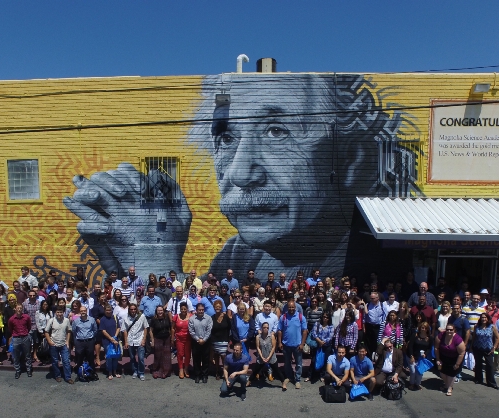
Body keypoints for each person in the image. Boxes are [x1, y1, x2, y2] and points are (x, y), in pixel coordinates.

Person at [64, 74, 414, 280]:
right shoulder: (243, 253)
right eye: (227, 139)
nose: (239, 173)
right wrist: (134, 264)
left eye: (277, 132)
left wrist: (158, 262)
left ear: (349, 160)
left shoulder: (366, 258)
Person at [277, 300, 308, 390]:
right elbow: (279, 330)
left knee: (298, 364)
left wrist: (302, 344)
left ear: (295, 307)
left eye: (292, 307)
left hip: (297, 345)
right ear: (287, 307)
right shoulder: (283, 317)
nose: (291, 308)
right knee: (287, 363)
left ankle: (297, 380)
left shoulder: (301, 317)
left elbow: (304, 331)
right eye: (289, 307)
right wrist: (279, 342)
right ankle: (289, 377)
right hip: (286, 344)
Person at [434, 323, 466, 396]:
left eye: (451, 330)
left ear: (454, 330)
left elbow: (462, 353)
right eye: (447, 329)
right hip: (443, 356)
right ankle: (446, 385)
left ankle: (449, 388)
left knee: (451, 374)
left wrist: (457, 364)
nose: (449, 331)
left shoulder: (458, 339)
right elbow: (436, 348)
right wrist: (438, 359)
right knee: (442, 372)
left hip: (454, 358)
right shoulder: (441, 336)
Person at [472, 313, 499, 390]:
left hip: (488, 349)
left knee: (490, 366)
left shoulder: (492, 327)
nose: (483, 319)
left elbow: (498, 338)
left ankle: (491, 382)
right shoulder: (476, 326)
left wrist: (494, 347)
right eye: (482, 318)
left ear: (488, 319)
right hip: (477, 348)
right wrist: (471, 347)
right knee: (478, 365)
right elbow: (474, 336)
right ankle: (478, 379)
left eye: (485, 318)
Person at [45, 307, 73, 384]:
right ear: (55, 313)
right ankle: (57, 375)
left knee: (66, 361)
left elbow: (69, 331)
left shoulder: (66, 320)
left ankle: (68, 377)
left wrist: (67, 341)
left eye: (61, 312)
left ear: (63, 312)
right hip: (54, 344)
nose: (59, 314)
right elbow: (46, 331)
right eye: (58, 312)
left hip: (63, 344)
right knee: (54, 361)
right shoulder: (51, 320)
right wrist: (49, 341)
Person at [72, 305, 99, 381]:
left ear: (86, 311)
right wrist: (76, 341)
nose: (83, 312)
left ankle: (92, 373)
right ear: (80, 312)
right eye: (81, 311)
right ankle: (79, 374)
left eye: (84, 311)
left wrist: (91, 338)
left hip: (89, 341)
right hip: (79, 342)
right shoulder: (76, 321)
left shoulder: (92, 320)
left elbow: (95, 330)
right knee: (79, 358)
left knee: (90, 358)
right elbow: (74, 331)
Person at [188, 302, 213, 383]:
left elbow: (209, 330)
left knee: (205, 359)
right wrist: (198, 339)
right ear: (196, 310)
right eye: (199, 310)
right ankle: (197, 375)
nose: (201, 311)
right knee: (196, 359)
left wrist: (204, 339)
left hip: (206, 341)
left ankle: (205, 375)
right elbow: (191, 331)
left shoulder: (208, 318)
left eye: (202, 310)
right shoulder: (192, 319)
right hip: (196, 341)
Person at [7, 303, 33, 379]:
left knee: (27, 354)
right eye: (17, 308)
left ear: (22, 309)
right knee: (16, 355)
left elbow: (29, 326)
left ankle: (29, 369)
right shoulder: (11, 319)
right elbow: (10, 328)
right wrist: (15, 334)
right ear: (15, 309)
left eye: (20, 308)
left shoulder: (26, 317)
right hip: (16, 338)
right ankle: (18, 370)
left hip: (25, 337)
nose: (19, 309)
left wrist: (25, 333)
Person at [407, 322, 432, 391]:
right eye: (422, 327)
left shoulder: (429, 338)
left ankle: (417, 384)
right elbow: (410, 346)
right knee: (413, 371)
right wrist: (411, 356)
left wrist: (426, 354)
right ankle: (411, 383)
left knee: (419, 372)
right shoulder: (415, 335)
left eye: (425, 328)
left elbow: (430, 348)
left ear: (427, 329)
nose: (423, 329)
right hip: (413, 356)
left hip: (421, 358)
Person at [149, 306, 172, 379]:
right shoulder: (154, 319)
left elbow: (171, 327)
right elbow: (150, 330)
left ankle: (165, 372)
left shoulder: (167, 317)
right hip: (157, 338)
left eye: (161, 310)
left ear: (163, 311)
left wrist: (171, 337)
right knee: (158, 355)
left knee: (166, 355)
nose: (160, 312)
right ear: (156, 311)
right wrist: (152, 340)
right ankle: (156, 371)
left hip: (167, 338)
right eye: (158, 311)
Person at [172, 301, 192, 379]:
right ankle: (180, 369)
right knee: (180, 354)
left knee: (187, 354)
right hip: (179, 339)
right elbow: (173, 328)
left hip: (188, 339)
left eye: (185, 309)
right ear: (180, 309)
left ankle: (186, 368)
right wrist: (172, 338)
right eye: (182, 309)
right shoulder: (176, 317)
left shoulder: (191, 316)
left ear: (187, 309)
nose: (183, 310)